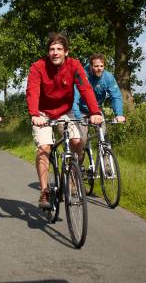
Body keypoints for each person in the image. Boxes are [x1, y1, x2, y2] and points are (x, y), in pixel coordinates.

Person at [26, 33, 103, 208]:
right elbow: (32, 91)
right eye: (52, 49)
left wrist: (95, 111)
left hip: (65, 111)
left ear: (66, 52)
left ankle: (73, 177)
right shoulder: (38, 67)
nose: (55, 52)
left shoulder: (74, 65)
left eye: (59, 49)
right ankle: (44, 192)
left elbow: (85, 88)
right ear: (48, 52)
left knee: (77, 141)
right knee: (44, 147)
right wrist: (34, 114)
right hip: (42, 112)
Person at [72, 53, 126, 153]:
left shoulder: (108, 77)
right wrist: (77, 116)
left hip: (96, 110)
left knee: (104, 138)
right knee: (81, 141)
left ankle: (107, 167)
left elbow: (116, 96)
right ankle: (77, 166)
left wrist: (119, 114)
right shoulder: (82, 76)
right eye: (96, 66)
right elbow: (75, 97)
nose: (99, 68)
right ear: (91, 66)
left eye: (101, 66)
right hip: (81, 110)